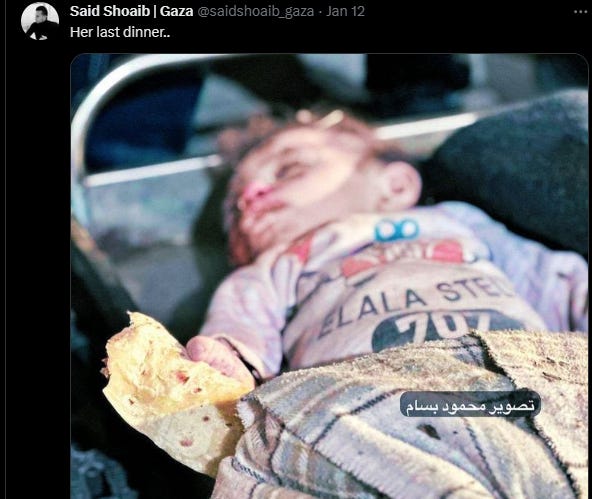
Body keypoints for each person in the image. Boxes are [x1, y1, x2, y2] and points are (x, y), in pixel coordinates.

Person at [185, 110, 588, 388]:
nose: (252, 196)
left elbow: (554, 280)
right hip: (369, 401)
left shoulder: (456, 220)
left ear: (394, 187)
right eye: (235, 209)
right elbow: (241, 322)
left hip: (523, 374)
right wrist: (231, 362)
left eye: (290, 170)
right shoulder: (277, 265)